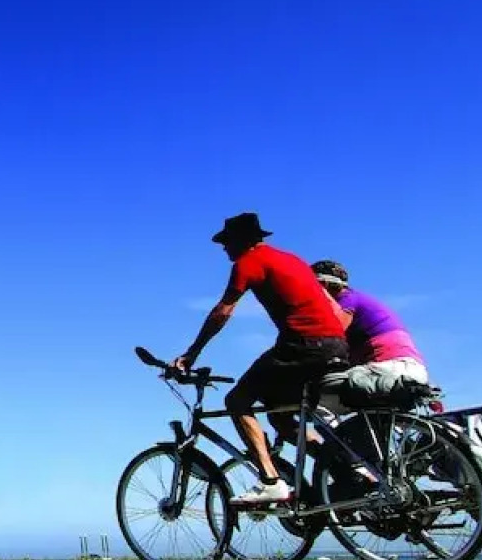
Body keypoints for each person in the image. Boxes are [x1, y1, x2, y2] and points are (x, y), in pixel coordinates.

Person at [171, 213, 350, 507]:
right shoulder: (292, 259)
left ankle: (270, 481)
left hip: (302, 345)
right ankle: (344, 467)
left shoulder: (249, 262)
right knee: (280, 416)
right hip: (336, 346)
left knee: (237, 400)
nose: (224, 249)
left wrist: (191, 353)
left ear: (242, 240)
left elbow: (223, 311)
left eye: (227, 242)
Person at [310, 260, 429, 396]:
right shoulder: (360, 301)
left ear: (323, 285)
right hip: (408, 370)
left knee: (316, 399)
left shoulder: (347, 300)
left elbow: (331, 334)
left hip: (388, 369)